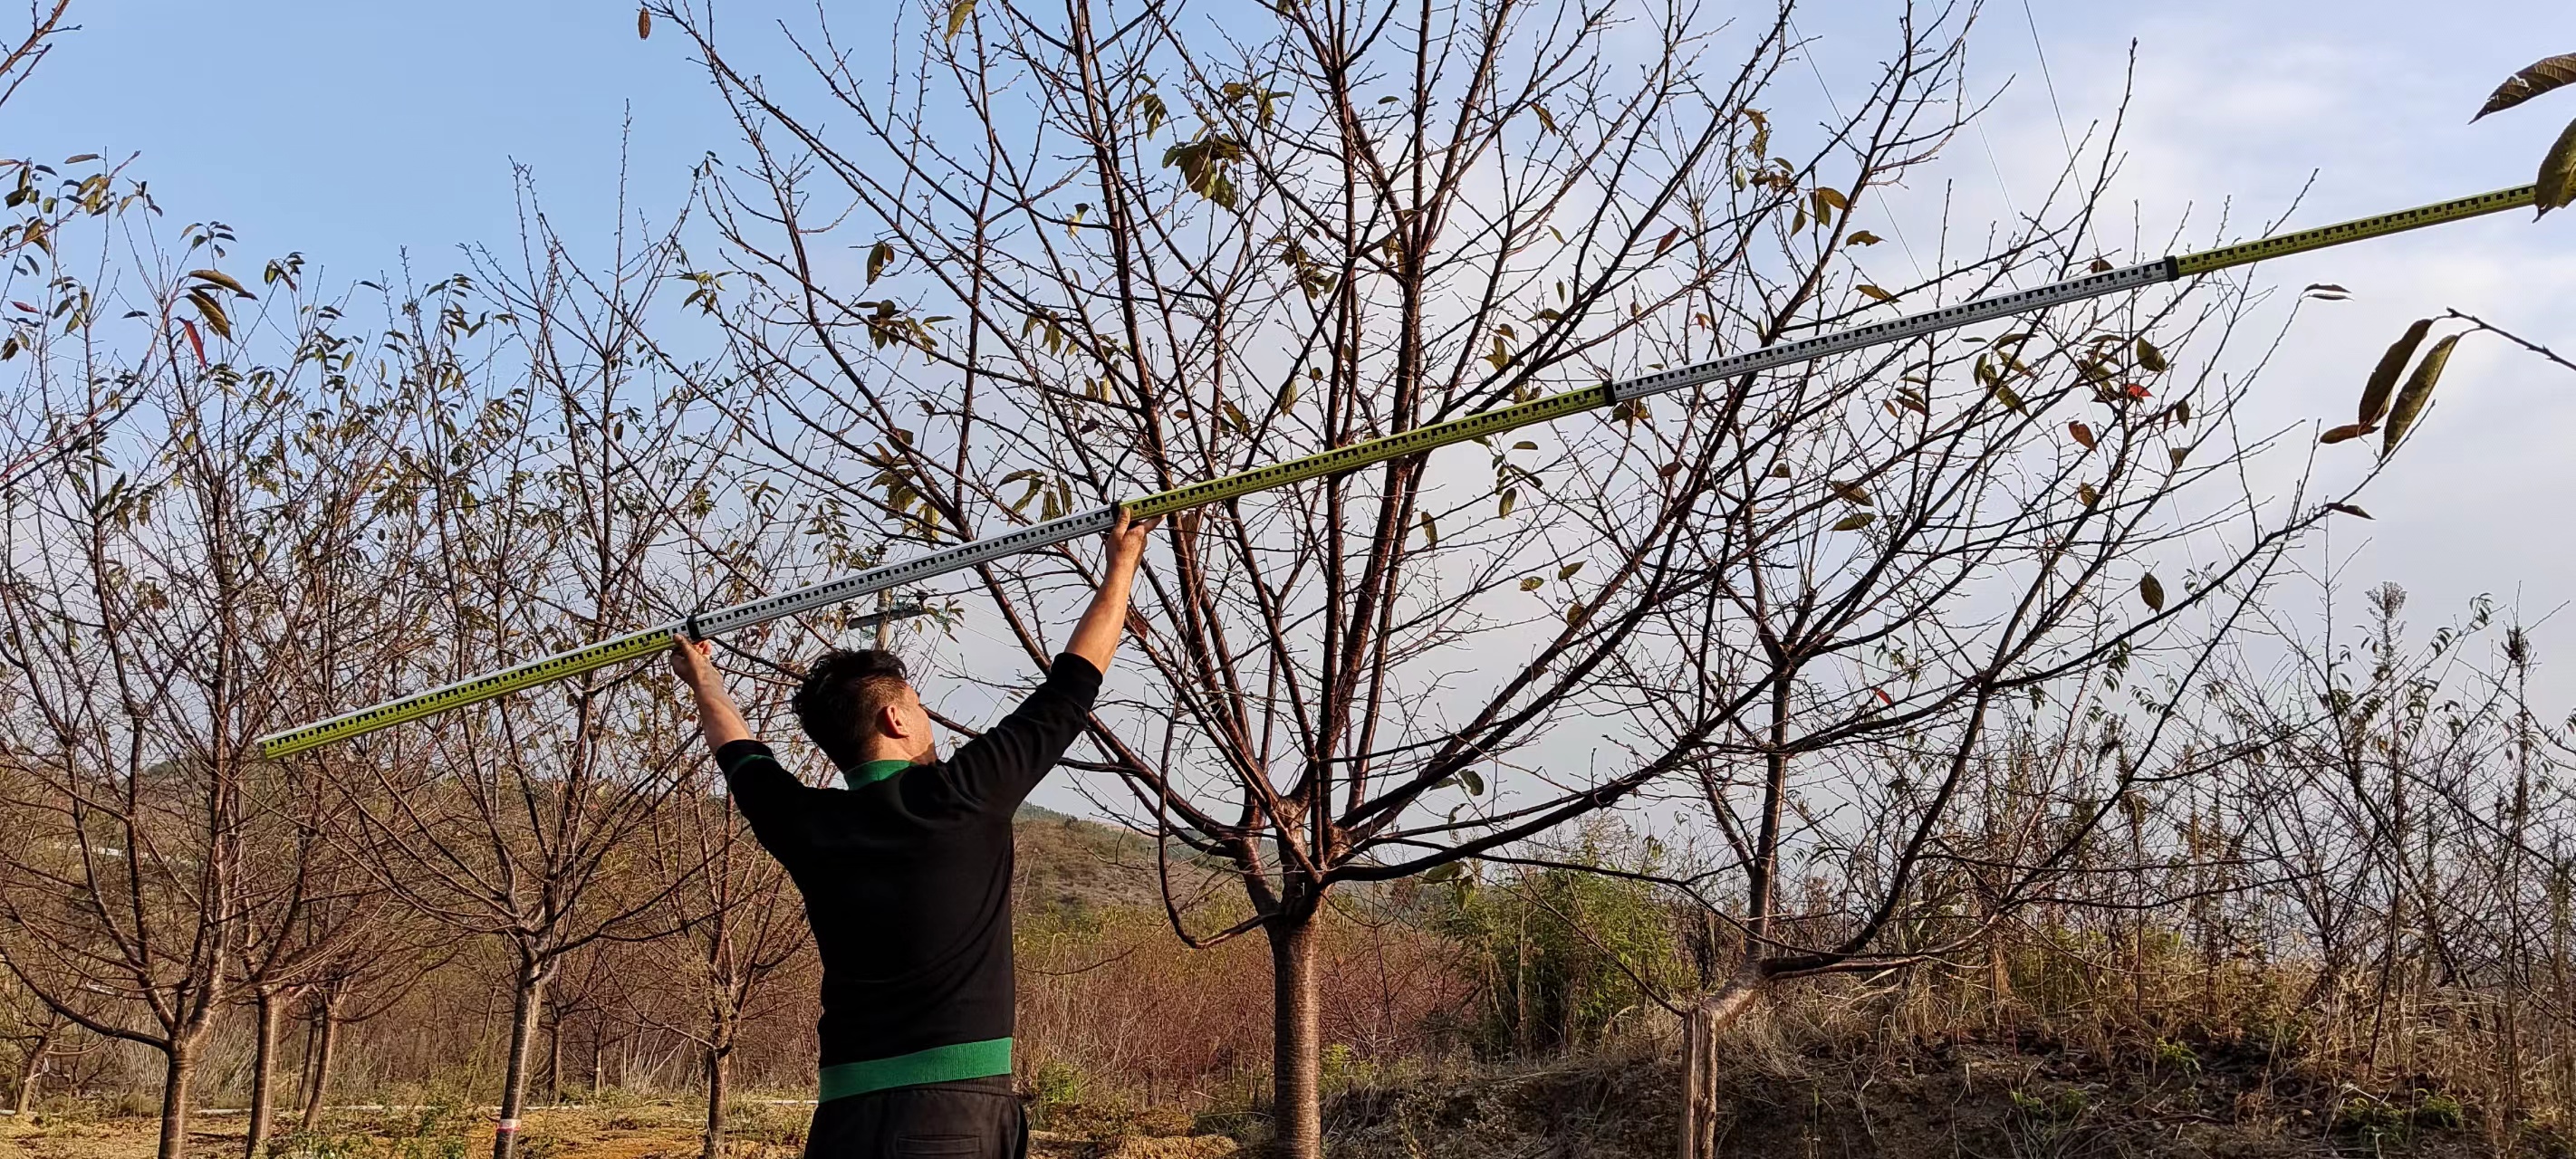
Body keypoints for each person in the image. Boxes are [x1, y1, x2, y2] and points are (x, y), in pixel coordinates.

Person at [668, 511, 1158, 1158]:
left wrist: (703, 677)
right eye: (921, 707)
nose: (927, 718)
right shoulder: (962, 794)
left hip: (843, 1117)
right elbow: (1071, 686)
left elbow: (739, 752)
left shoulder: (808, 825)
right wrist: (1123, 565)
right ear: (897, 717)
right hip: (950, 1113)